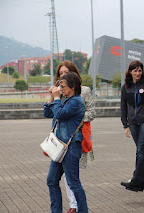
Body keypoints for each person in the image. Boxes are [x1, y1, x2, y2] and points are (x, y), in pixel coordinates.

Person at [53, 61, 96, 213]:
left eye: (66, 72)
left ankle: (76, 206)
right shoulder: (61, 93)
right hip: (60, 139)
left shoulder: (83, 91)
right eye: (60, 73)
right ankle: (73, 205)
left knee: (72, 176)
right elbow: (54, 114)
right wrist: (53, 99)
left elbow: (92, 112)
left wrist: (75, 117)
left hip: (77, 136)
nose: (63, 75)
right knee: (58, 177)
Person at [44, 72, 88, 213]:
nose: (61, 89)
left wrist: (57, 98)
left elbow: (60, 114)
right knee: (51, 180)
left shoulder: (76, 101)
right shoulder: (64, 99)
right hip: (60, 147)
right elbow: (48, 113)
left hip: (71, 147)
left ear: (73, 87)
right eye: (59, 86)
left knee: (73, 183)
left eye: (63, 86)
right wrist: (53, 97)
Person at [120, 60, 144, 183]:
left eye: (140, 71)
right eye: (135, 71)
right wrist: (125, 125)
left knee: (140, 147)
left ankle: (137, 177)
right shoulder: (126, 87)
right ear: (130, 72)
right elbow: (123, 107)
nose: (138, 73)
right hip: (132, 121)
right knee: (139, 148)